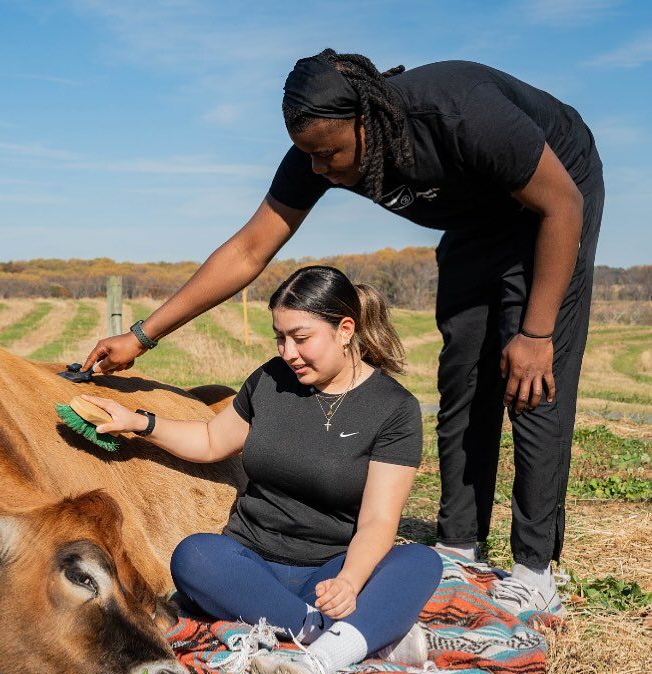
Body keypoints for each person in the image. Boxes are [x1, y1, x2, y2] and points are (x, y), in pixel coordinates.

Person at [83, 50, 605, 616]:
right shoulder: (318, 149)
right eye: (308, 154)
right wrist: (142, 336)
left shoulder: (458, 112)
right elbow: (248, 250)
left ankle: (534, 569)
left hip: (553, 204)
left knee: (531, 383)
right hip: (476, 221)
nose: (317, 169)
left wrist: (537, 333)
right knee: (463, 377)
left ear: (366, 122)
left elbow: (563, 204)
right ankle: (460, 546)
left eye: (328, 154)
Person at [81, 266, 442, 674]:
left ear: (345, 330)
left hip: (332, 567)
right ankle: (339, 634)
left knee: (421, 562)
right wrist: (139, 422)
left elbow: (378, 520)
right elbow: (210, 440)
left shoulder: (393, 409)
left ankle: (319, 660)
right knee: (194, 556)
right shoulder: (270, 380)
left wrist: (349, 581)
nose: (288, 352)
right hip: (252, 565)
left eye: (301, 338)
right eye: (280, 338)